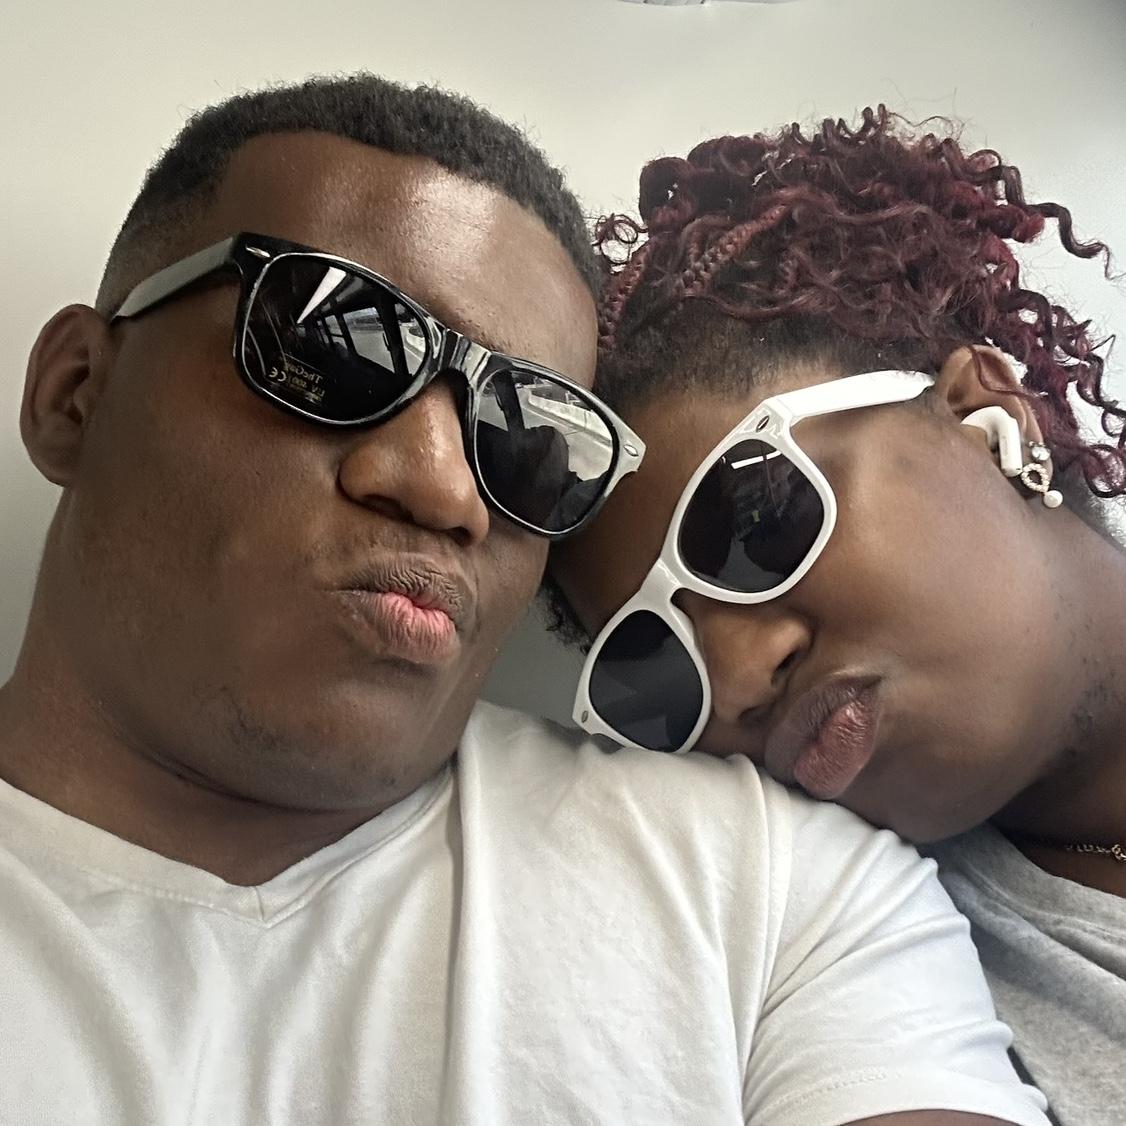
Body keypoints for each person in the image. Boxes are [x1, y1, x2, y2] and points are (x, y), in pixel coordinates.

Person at [0, 76, 1050, 1126]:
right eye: (337, 345)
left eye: (531, 441)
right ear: (74, 395)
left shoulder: (774, 888)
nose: (445, 490)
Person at [550, 106, 1126, 1125]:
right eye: (655, 666)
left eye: (755, 519)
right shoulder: (893, 1003)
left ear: (984, 414)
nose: (735, 683)